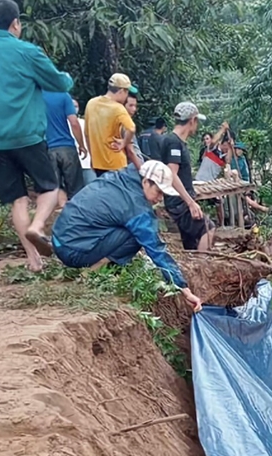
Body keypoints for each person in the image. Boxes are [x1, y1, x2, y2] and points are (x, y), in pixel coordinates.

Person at [0, 0, 74, 272]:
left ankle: (33, 261)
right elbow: (58, 82)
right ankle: (37, 225)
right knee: (49, 188)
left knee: (17, 199)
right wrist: (67, 78)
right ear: (16, 23)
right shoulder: (26, 51)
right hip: (28, 136)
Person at [51, 160, 202, 312]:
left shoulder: (119, 178)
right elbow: (156, 249)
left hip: (59, 238)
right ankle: (92, 271)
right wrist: (183, 288)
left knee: (131, 227)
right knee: (137, 235)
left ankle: (100, 262)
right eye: (159, 192)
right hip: (72, 252)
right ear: (145, 182)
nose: (160, 198)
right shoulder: (137, 207)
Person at [160, 101, 215, 250]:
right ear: (192, 120)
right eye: (197, 122)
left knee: (190, 242)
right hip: (179, 203)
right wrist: (190, 202)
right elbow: (171, 174)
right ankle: (203, 268)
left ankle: (192, 269)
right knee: (208, 229)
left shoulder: (178, 142)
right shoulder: (173, 142)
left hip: (181, 200)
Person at [84, 74, 141, 176]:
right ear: (121, 91)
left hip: (98, 164)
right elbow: (131, 128)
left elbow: (87, 134)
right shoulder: (118, 108)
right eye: (127, 91)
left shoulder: (91, 103)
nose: (127, 95)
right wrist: (124, 142)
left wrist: (92, 157)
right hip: (116, 163)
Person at [44, 91, 87, 204]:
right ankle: (77, 213)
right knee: (76, 188)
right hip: (67, 147)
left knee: (55, 187)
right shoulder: (63, 96)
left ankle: (62, 210)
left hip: (47, 148)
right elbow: (74, 122)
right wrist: (81, 145)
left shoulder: (36, 97)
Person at [72, 99, 97, 186]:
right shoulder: (62, 125)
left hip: (87, 162)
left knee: (92, 187)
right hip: (72, 163)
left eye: (76, 106)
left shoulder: (85, 123)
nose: (74, 108)